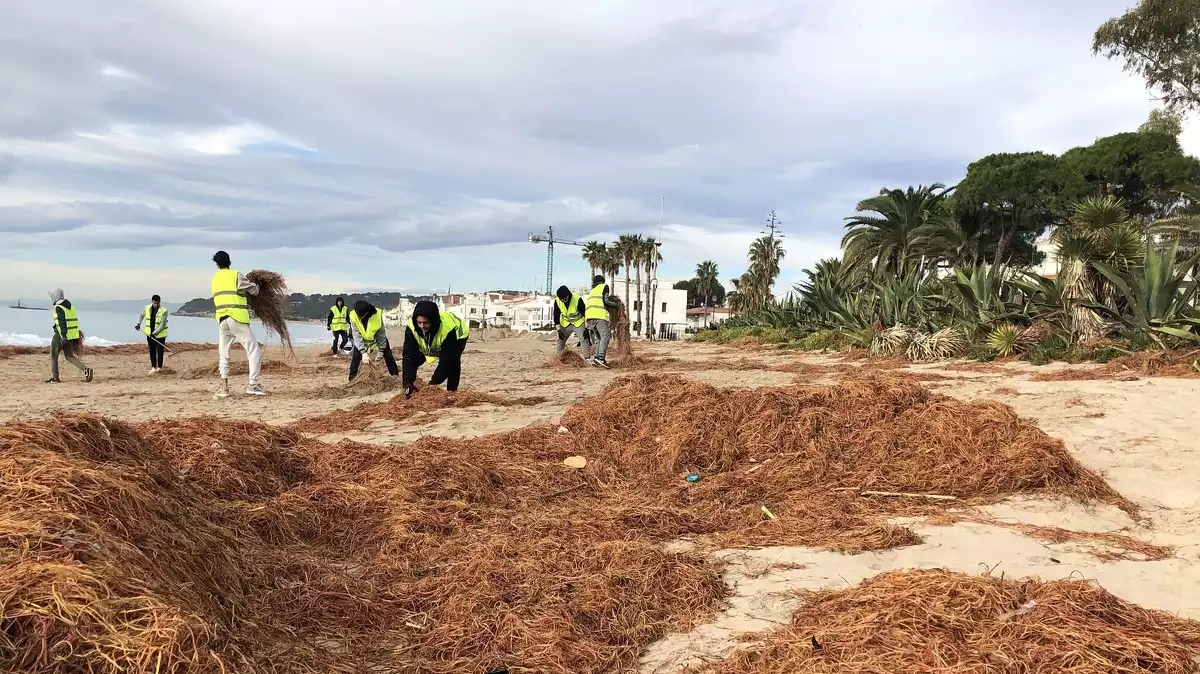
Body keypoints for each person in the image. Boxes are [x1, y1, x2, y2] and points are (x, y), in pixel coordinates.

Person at [211, 250, 266, 398]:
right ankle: (253, 384)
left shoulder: (215, 279)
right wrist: (258, 286)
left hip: (222, 320)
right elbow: (254, 291)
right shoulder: (236, 275)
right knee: (253, 350)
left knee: (224, 354)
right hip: (236, 318)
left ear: (216, 264)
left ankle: (224, 388)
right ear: (229, 262)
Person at [402, 300, 469, 397]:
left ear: (433, 321)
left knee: (453, 362)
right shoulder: (411, 328)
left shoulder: (449, 329)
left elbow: (447, 361)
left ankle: (452, 391)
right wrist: (407, 383)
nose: (422, 326)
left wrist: (432, 385)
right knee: (414, 359)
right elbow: (409, 356)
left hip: (458, 336)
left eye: (426, 323)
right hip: (435, 341)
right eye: (419, 322)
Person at [46, 288, 93, 383]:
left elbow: (62, 322)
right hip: (71, 336)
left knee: (53, 355)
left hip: (60, 336)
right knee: (69, 356)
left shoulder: (58, 307)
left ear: (56, 296)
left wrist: (62, 335)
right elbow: (69, 321)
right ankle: (85, 370)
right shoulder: (71, 307)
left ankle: (55, 378)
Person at [348, 300, 400, 381]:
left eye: (361, 316)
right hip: (363, 340)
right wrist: (363, 352)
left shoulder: (377, 315)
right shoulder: (353, 316)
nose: (360, 318)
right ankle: (352, 379)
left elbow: (381, 334)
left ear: (366, 312)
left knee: (388, 355)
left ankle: (395, 375)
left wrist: (381, 350)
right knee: (356, 358)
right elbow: (356, 335)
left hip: (375, 339)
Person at [584, 275, 621, 368]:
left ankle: (597, 358)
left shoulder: (592, 291)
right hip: (598, 315)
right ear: (602, 281)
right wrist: (616, 305)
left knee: (600, 338)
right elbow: (605, 301)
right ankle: (600, 358)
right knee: (606, 335)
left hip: (589, 317)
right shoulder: (604, 287)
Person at [134, 294, 169, 373]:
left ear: (160, 302)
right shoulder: (147, 308)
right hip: (149, 334)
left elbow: (162, 325)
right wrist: (138, 324)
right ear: (152, 302)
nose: (156, 305)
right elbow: (141, 315)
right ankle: (153, 367)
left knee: (160, 351)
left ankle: (159, 367)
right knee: (152, 351)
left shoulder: (164, 311)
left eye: (158, 303)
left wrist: (154, 333)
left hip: (160, 335)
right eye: (155, 303)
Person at [553, 285, 590, 356]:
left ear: (568, 294)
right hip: (565, 323)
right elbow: (556, 315)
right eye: (562, 299)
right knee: (560, 340)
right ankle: (558, 358)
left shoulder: (577, 299)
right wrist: (559, 330)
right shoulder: (557, 301)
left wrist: (586, 328)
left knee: (584, 339)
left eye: (565, 297)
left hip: (578, 322)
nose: (564, 300)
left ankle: (587, 358)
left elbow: (585, 314)